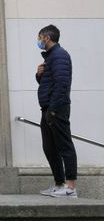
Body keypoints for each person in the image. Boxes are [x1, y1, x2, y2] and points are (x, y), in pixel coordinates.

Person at [35, 25, 77, 198]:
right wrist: (38, 75)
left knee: (64, 145)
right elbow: (49, 83)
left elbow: (62, 84)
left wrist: (53, 109)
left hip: (56, 108)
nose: (38, 41)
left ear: (47, 38)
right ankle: (59, 183)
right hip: (47, 108)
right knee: (49, 147)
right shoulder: (50, 58)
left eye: (39, 37)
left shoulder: (60, 55)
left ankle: (70, 187)